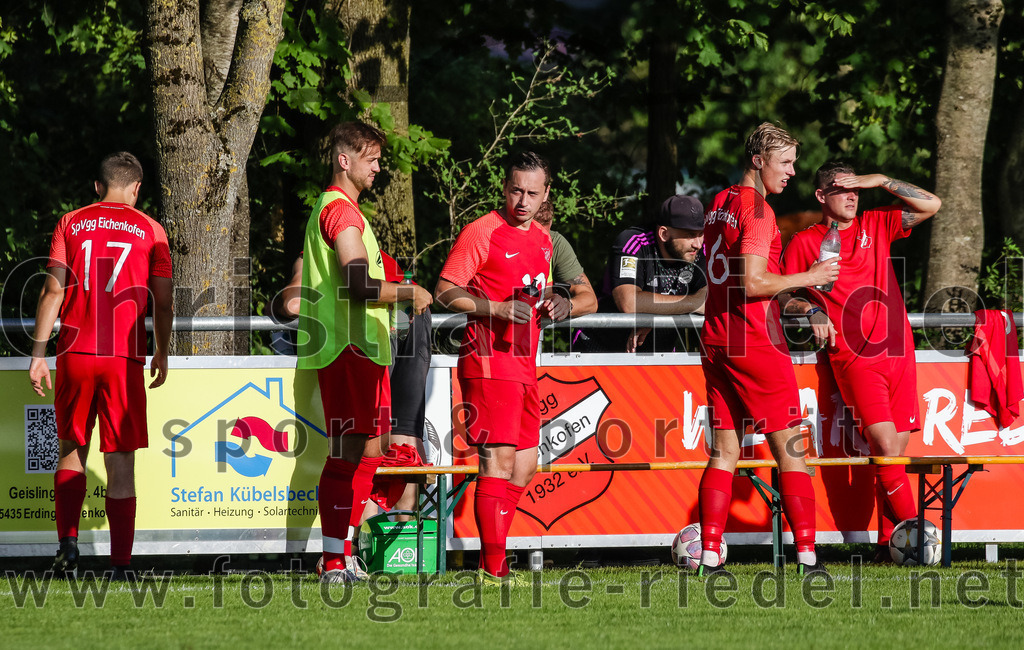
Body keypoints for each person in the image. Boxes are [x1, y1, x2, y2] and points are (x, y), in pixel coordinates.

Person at [696, 123, 839, 577]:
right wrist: (810, 279)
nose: (793, 172)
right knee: (792, 450)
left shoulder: (720, 203)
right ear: (758, 161)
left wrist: (793, 297)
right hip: (753, 341)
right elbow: (753, 282)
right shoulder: (758, 211)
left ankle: (709, 556)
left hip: (718, 338)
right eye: (786, 162)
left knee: (724, 452)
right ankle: (808, 560)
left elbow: (745, 277)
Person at [781, 162, 941, 561]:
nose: (852, 195)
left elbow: (932, 205)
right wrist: (811, 311)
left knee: (894, 456)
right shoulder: (804, 241)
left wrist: (882, 181)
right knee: (886, 447)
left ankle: (891, 546)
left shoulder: (877, 223)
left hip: (900, 350)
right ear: (821, 196)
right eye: (840, 189)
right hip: (854, 357)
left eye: (856, 189)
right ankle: (923, 542)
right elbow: (782, 296)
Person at [297, 121, 432, 583]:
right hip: (346, 347)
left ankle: (345, 551)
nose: (378, 167)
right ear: (344, 160)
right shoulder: (341, 212)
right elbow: (358, 284)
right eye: (371, 159)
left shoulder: (349, 211)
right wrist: (407, 293)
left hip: (365, 349)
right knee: (348, 453)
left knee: (372, 451)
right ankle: (333, 560)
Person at [28, 152, 173, 581]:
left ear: (97, 186)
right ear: (136, 189)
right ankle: (121, 563)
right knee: (121, 462)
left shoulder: (71, 222)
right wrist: (161, 350)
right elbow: (163, 302)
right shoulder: (151, 229)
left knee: (71, 449)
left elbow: (52, 291)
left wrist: (38, 354)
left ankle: (68, 549)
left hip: (74, 351)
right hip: (122, 357)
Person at [434, 151, 568, 585]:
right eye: (515, 191)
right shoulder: (482, 231)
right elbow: (444, 291)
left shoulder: (544, 240)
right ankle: (495, 565)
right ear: (504, 188)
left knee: (526, 466)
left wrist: (556, 304)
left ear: (545, 194)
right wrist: (494, 309)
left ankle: (490, 558)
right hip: (489, 361)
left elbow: (543, 295)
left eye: (532, 193)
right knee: (498, 462)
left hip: (525, 365)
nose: (522, 201)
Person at [580, 194, 707, 353]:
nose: (698, 244)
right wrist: (692, 303)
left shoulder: (700, 250)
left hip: (658, 352)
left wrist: (655, 317)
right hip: (601, 347)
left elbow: (712, 297)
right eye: (689, 235)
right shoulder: (634, 241)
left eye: (700, 233)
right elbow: (629, 302)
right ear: (664, 234)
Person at [533, 200, 598, 317]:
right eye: (533, 237)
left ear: (551, 222)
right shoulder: (497, 238)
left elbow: (590, 300)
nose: (541, 243)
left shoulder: (556, 243)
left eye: (544, 236)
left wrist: (567, 305)